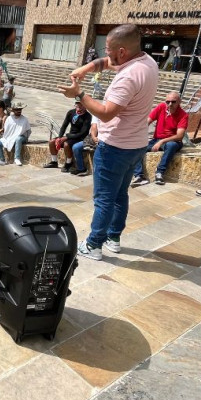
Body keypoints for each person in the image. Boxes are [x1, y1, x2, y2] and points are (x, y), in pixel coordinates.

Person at [60, 23, 159, 261]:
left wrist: (79, 94)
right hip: (135, 145)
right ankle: (113, 238)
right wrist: (86, 68)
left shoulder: (128, 76)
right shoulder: (147, 62)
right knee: (120, 194)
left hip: (115, 146)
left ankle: (94, 245)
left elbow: (105, 113)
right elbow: (108, 62)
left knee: (104, 198)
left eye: (108, 49)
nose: (105, 53)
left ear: (122, 51)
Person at [130, 91, 189, 187]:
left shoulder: (183, 115)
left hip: (172, 141)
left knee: (171, 145)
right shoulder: (161, 107)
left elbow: (179, 136)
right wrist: (137, 133)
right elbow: (148, 121)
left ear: (179, 102)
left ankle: (160, 172)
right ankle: (139, 176)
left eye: (173, 102)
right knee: (136, 147)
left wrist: (161, 141)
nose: (170, 104)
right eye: (168, 101)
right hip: (157, 139)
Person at [44, 97, 92, 172]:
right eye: (77, 105)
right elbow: (64, 126)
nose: (79, 108)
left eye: (81, 106)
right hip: (70, 136)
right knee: (52, 142)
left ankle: (68, 163)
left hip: (80, 138)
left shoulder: (88, 116)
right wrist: (59, 137)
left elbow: (83, 133)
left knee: (66, 144)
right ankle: (54, 161)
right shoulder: (71, 112)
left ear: (85, 106)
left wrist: (67, 137)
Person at [0, 102, 32, 166]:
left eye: (20, 109)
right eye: (17, 109)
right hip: (10, 137)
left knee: (18, 139)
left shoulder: (24, 119)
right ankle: (2, 160)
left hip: (22, 137)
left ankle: (17, 158)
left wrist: (25, 137)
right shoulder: (9, 118)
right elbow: (6, 129)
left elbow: (28, 131)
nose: (19, 111)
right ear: (13, 110)